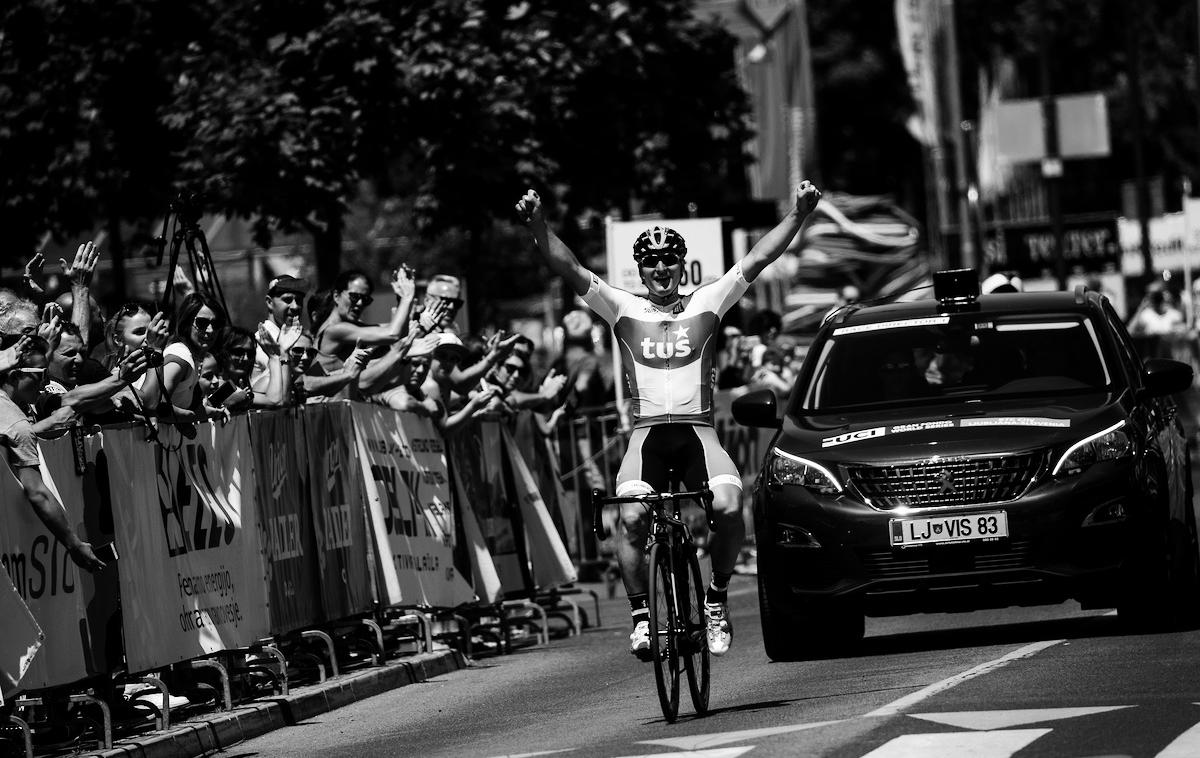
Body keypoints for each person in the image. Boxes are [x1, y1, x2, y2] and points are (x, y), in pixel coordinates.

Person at [516, 179, 823, 658]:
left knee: (726, 508)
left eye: (669, 260)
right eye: (650, 262)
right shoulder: (622, 307)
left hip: (699, 433)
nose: (660, 268)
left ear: (682, 265)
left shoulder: (708, 302)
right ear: (640, 270)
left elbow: (760, 258)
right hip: (647, 439)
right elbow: (569, 267)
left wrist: (798, 214)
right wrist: (538, 225)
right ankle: (641, 618)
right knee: (633, 518)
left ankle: (715, 601)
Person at [0, 333, 104, 573]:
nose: (45, 383)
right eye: (39, 375)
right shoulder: (17, 426)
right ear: (14, 375)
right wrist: (73, 543)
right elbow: (38, 493)